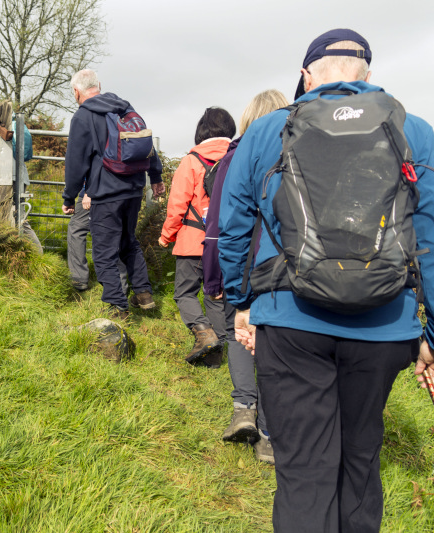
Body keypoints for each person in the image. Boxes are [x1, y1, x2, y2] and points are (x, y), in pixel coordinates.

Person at [218, 29, 434, 532]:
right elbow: (429, 239)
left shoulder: (270, 129)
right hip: (384, 326)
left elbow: (231, 230)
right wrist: (431, 335)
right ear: (367, 75)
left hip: (292, 323)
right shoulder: (416, 132)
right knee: (360, 466)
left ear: (306, 76)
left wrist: (240, 302)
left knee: (304, 476)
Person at [203, 90, 289, 465]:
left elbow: (220, 226)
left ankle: (243, 409)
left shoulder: (234, 159)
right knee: (275, 346)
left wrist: (215, 279)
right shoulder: (299, 157)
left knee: (239, 334)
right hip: (285, 271)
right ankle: (269, 435)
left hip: (243, 265)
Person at [62, 69, 164, 319]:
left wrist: (69, 196)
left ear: (76, 92)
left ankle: (118, 308)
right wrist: (156, 176)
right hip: (133, 189)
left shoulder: (83, 116)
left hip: (107, 192)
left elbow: (76, 162)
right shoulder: (123, 107)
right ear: (99, 85)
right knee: (128, 242)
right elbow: (144, 142)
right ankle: (143, 294)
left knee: (104, 251)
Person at [159, 108, 235, 367]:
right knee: (216, 294)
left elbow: (177, 204)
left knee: (184, 294)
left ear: (202, 130)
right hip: (226, 241)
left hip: (193, 240)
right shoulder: (237, 157)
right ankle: (220, 356)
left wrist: (166, 236)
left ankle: (203, 332)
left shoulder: (191, 161)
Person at [0, 91, 43, 254]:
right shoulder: (12, 121)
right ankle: (23, 256)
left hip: (8, 176)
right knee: (16, 217)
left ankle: (36, 254)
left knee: (13, 218)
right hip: (17, 176)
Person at [65, 185, 129, 293]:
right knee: (113, 234)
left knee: (76, 230)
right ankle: (119, 286)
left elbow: (93, 168)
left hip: (95, 192)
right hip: (123, 192)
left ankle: (79, 279)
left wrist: (88, 192)